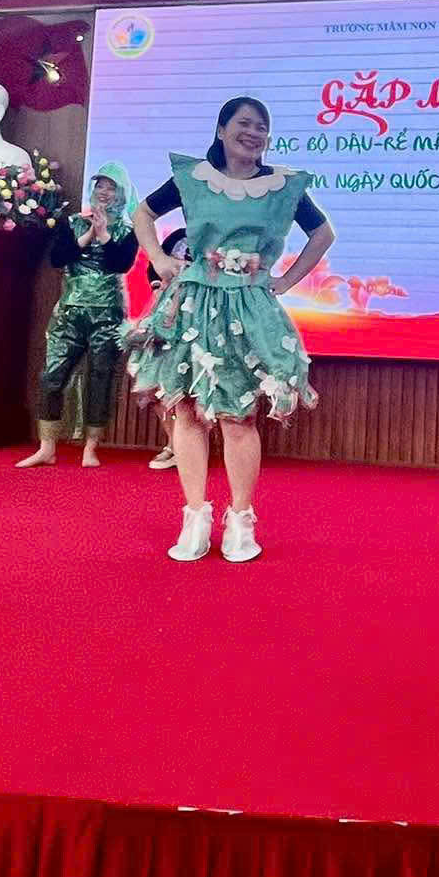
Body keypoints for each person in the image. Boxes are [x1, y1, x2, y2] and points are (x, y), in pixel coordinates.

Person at [128, 97, 334, 562]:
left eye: (262, 126)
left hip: (249, 306)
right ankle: (194, 517)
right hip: (193, 303)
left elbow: (323, 234)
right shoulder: (194, 177)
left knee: (238, 416)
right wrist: (158, 258)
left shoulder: (282, 186)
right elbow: (142, 214)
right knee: (186, 411)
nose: (253, 133)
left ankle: (241, 520)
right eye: (244, 123)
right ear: (221, 130)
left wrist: (286, 280)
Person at [18, 163, 137, 468]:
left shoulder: (129, 230)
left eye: (111, 187)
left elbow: (121, 264)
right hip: (70, 312)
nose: (104, 192)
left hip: (107, 314)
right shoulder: (71, 223)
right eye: (100, 186)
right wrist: (87, 236)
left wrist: (104, 234)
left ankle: (91, 448)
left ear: (122, 193)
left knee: (100, 378)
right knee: (52, 375)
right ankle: (47, 447)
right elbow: (58, 258)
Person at [144, 228, 189, 471]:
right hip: (165, 315)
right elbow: (154, 267)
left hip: (199, 317)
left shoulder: (217, 238)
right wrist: (158, 287)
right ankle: (173, 444)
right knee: (155, 383)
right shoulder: (178, 236)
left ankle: (189, 448)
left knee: (187, 388)